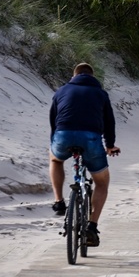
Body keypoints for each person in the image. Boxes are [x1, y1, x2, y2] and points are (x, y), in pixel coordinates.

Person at [49, 62, 120, 247]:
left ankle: (58, 201)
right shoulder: (101, 93)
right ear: (93, 76)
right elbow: (109, 122)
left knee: (55, 160)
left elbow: (53, 120)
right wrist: (110, 145)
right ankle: (92, 226)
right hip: (90, 139)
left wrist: (54, 142)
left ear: (74, 75)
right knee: (102, 182)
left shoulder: (61, 91)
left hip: (62, 136)